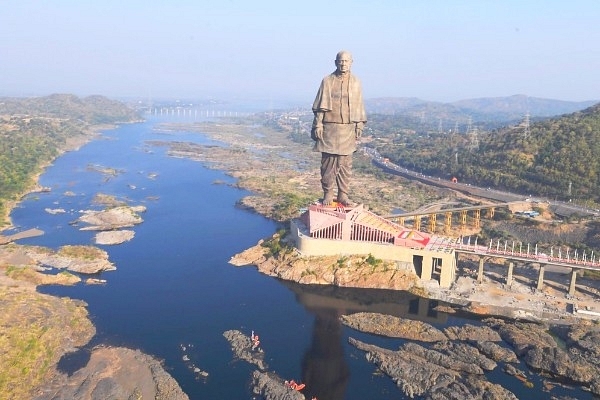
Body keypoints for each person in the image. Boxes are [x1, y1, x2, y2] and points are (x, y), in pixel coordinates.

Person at [311, 50, 367, 207]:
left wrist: (359, 125)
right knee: (328, 163)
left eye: (346, 61)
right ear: (335, 62)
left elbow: (358, 104)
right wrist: (318, 124)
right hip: (330, 126)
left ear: (351, 62)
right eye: (341, 61)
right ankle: (328, 191)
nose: (343, 64)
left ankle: (343, 194)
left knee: (345, 163)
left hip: (348, 127)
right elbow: (320, 106)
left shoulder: (356, 82)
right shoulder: (327, 81)